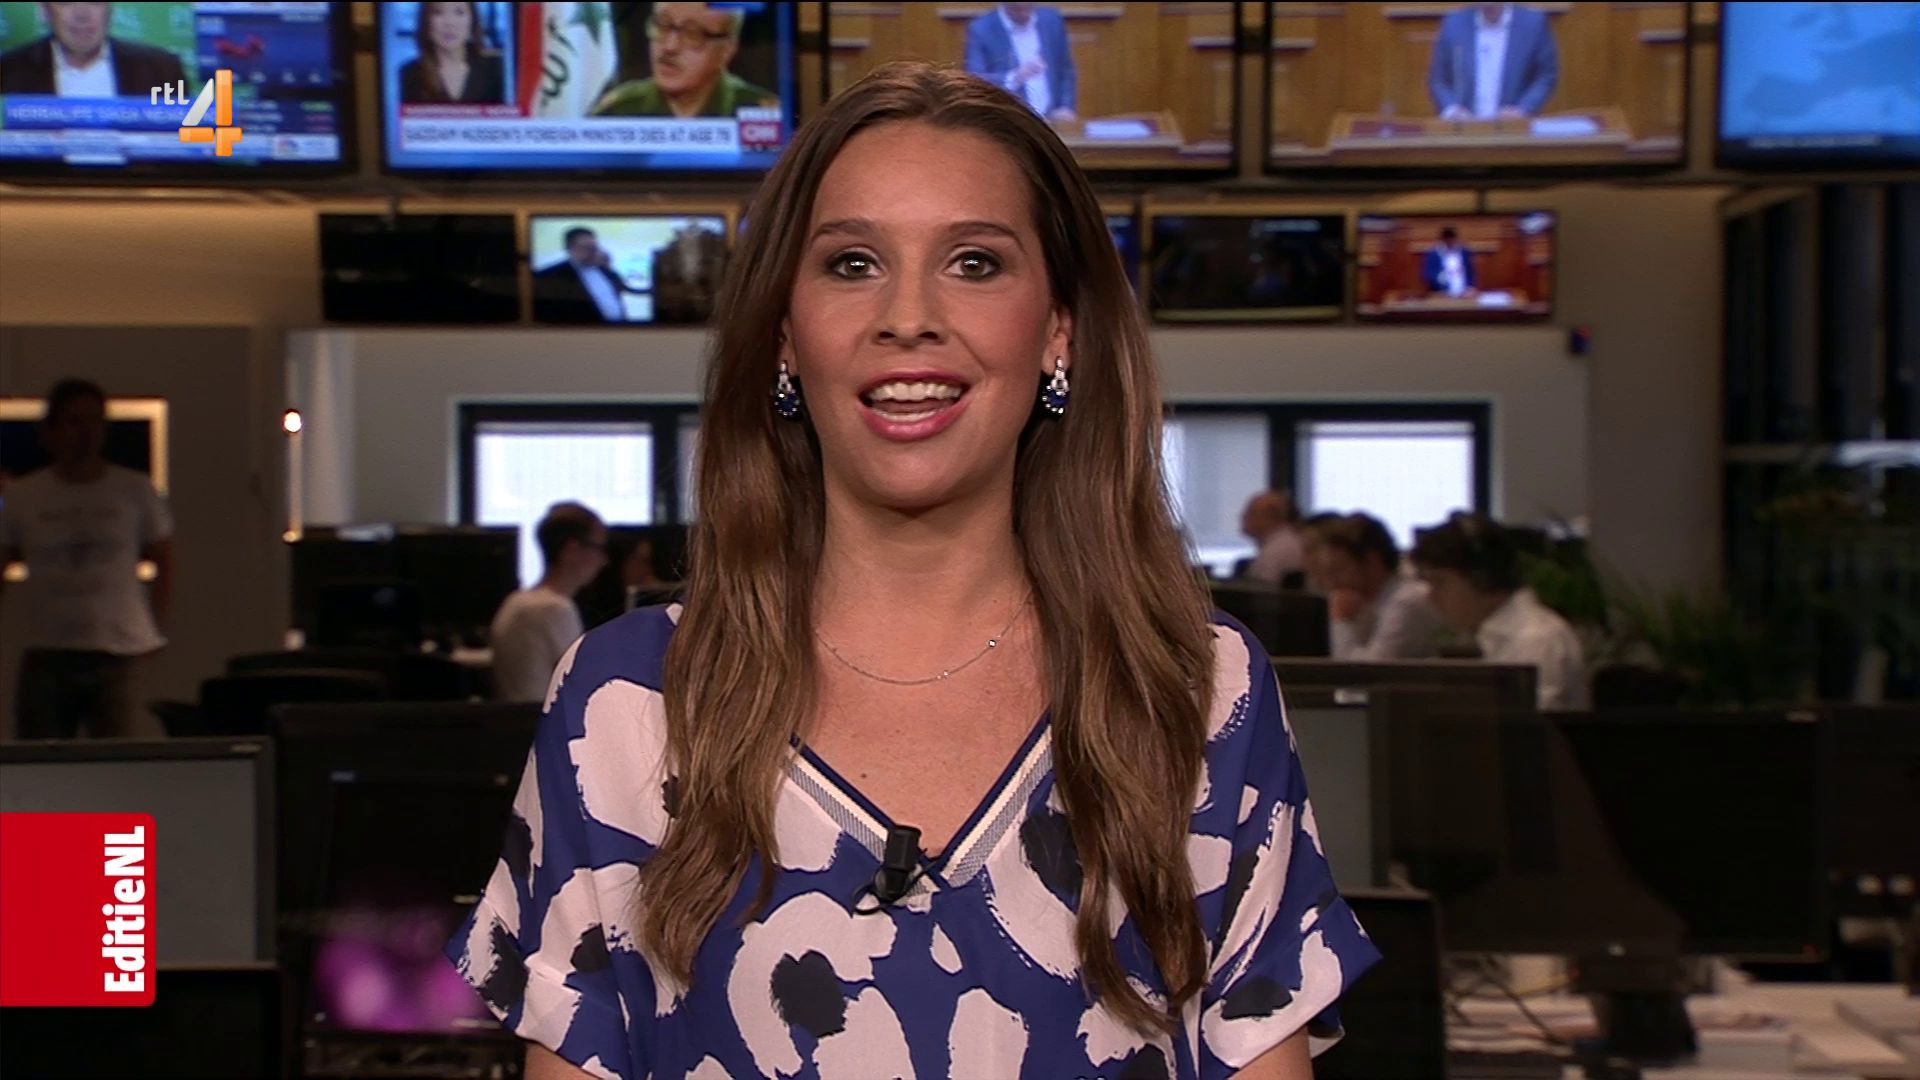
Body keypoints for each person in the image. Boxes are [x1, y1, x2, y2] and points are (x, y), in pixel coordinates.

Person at [445, 62, 1375, 1080]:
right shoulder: (624, 702)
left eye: (975, 262)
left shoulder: (1198, 691)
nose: (908, 315)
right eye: (852, 263)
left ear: (1058, 329)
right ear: (786, 334)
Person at [0, 379, 173, 739]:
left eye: (95, 421)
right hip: (47, 648)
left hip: (117, 649)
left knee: (119, 754)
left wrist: (156, 628)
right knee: (41, 754)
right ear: (51, 431)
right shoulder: (24, 496)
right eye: (75, 421)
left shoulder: (135, 490)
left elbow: (164, 559)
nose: (86, 432)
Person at [1411, 512, 1589, 710]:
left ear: (1483, 578)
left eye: (1439, 582)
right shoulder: (1495, 636)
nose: (1431, 597)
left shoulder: (1536, 639)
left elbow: (1523, 726)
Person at [488, 502, 607, 703]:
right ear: (572, 550)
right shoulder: (555, 609)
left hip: (519, 718)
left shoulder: (515, 601)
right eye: (598, 548)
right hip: (543, 718)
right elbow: (583, 688)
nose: (603, 560)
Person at [592, 2, 779, 118]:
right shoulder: (617, 109)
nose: (669, 46)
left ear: (727, 50)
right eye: (662, 24)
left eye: (692, 33)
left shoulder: (762, 113)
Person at [1319, 513, 1443, 661]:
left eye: (1339, 570)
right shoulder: (1367, 602)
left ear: (1372, 561)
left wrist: (1340, 621)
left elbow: (1368, 670)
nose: (1331, 582)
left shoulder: (1405, 602)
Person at [0, 1, 186, 96]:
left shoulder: (162, 69)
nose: (82, 15)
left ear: (110, 9)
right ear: (44, 10)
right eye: (67, 2)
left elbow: (184, 143)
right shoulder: (8, 71)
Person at [1427, 2, 1559, 121]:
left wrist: (1522, 109)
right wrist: (1452, 110)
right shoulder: (1454, 24)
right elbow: (1438, 80)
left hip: (1514, 130)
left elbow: (1546, 75)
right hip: (1465, 130)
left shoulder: (1532, 23)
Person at [964, 3, 1078, 124]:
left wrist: (1065, 106)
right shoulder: (981, 29)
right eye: (1017, 8)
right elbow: (974, 80)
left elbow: (1065, 68)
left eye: (1028, 6)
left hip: (1053, 121)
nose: (1023, 10)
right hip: (1009, 121)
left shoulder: (1051, 20)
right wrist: (1014, 77)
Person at [397, 1, 506, 105]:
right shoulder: (409, 75)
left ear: (472, 20)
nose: (449, 23)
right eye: (438, 12)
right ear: (426, 21)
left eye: (459, 12)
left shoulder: (497, 69)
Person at [532, 227, 635, 324]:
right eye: (586, 247)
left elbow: (624, 291)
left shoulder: (605, 270)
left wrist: (609, 267)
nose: (592, 252)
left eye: (594, 247)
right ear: (569, 248)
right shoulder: (548, 276)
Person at [649, 220, 730, 325]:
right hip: (671, 319)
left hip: (713, 317)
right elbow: (658, 295)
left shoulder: (721, 254)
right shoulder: (662, 257)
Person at [1240, 489, 1305, 587]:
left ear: (1269, 517)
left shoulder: (1278, 549)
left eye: (1251, 513)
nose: (1243, 517)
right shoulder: (1278, 542)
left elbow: (1265, 591)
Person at [1422, 225, 1475, 297]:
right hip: (1442, 294)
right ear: (1442, 240)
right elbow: (1427, 274)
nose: (1450, 242)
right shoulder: (1433, 254)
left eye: (1452, 239)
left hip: (1464, 294)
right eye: (1447, 240)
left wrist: (1471, 287)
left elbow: (1470, 271)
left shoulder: (1464, 252)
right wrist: (1441, 280)